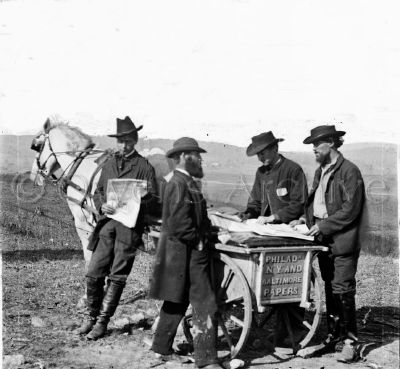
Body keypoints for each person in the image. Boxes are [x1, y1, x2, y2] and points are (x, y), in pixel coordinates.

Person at [75, 116, 158, 340]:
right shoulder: (109, 164)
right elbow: (98, 192)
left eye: (128, 141)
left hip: (129, 229)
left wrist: (146, 196)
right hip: (107, 225)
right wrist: (102, 205)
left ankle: (102, 322)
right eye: (121, 141)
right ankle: (90, 317)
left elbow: (155, 199)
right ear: (117, 142)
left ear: (135, 140)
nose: (124, 145)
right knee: (93, 273)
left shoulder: (143, 166)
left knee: (117, 276)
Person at [290, 125, 365, 362]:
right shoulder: (320, 171)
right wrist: (305, 218)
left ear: (331, 143)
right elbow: (317, 203)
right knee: (331, 289)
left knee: (343, 289)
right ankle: (334, 336)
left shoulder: (350, 171)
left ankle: (350, 342)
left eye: (317, 144)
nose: (313, 149)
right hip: (324, 241)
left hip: (343, 241)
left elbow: (350, 210)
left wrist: (323, 225)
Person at [149, 137, 221, 369]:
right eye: (196, 155)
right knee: (204, 303)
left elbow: (195, 218)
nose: (200, 159)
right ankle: (207, 360)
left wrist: (210, 230)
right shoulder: (180, 183)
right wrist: (199, 239)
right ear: (182, 157)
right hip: (189, 252)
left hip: (181, 251)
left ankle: (161, 348)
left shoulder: (186, 182)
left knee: (176, 299)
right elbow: (180, 224)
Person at [240, 131, 308, 224]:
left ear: (275, 148)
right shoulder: (261, 172)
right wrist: (248, 214)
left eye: (262, 153)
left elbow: (298, 204)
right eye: (258, 155)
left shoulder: (293, 169)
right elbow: (255, 201)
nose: (260, 158)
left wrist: (275, 217)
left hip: (288, 226)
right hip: (265, 226)